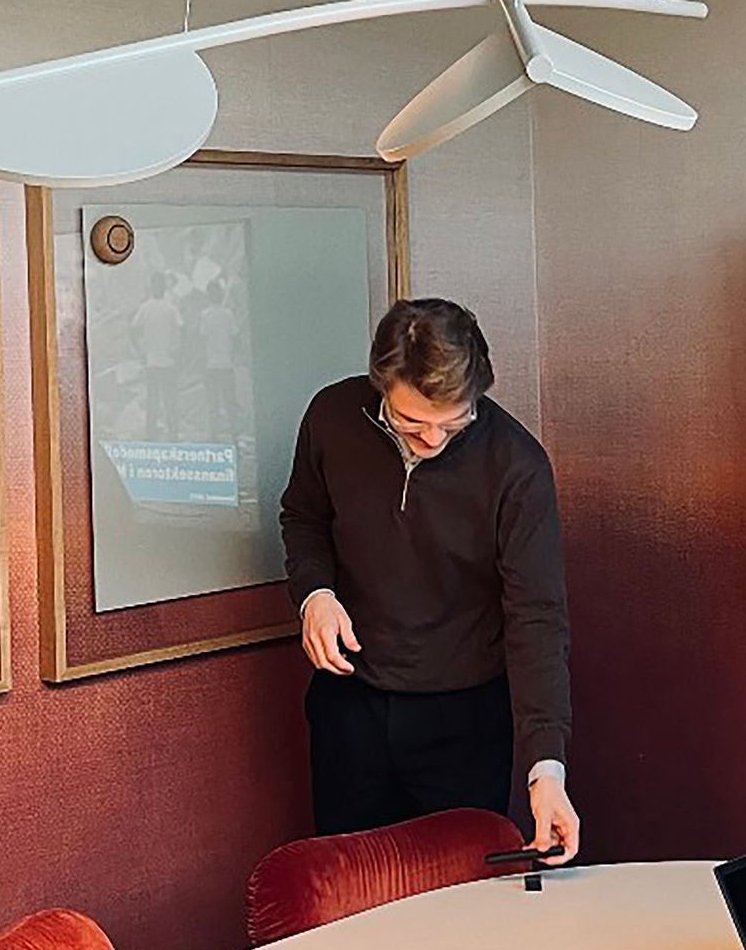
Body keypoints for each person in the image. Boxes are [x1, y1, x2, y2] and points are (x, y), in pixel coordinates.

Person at [279, 298, 580, 863]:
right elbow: (303, 518)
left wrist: (547, 768)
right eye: (412, 422)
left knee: (459, 902)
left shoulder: (517, 467)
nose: (433, 440)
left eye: (453, 421)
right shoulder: (331, 417)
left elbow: (537, 619)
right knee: (348, 889)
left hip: (464, 716)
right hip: (350, 702)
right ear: (381, 388)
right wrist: (314, 595)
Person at [131, 272, 183, 440]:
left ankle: (151, 434)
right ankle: (172, 433)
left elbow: (133, 331)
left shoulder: (145, 308)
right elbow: (182, 331)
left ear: (152, 287)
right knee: (170, 401)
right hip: (168, 363)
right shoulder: (170, 308)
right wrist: (177, 351)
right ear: (163, 287)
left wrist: (140, 352)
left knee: (153, 401)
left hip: (152, 362)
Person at [200, 280, 243, 439]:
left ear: (209, 296)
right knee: (229, 401)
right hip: (226, 365)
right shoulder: (228, 314)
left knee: (213, 403)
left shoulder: (205, 315)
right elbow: (236, 338)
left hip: (211, 365)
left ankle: (215, 435)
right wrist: (233, 356)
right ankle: (233, 433)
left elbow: (202, 339)